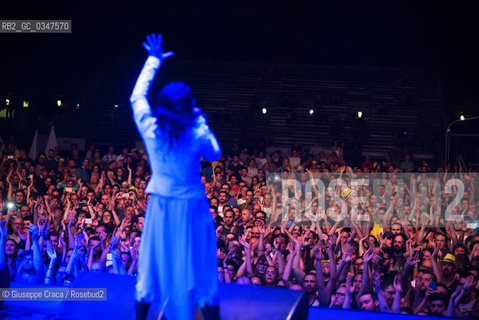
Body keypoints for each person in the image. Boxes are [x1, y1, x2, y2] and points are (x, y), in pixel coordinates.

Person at [130, 33, 221, 320]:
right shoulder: (196, 134)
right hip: (192, 208)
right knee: (202, 270)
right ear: (188, 106)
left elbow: (136, 96)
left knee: (151, 266)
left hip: (160, 206)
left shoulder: (151, 128)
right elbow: (216, 154)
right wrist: (201, 120)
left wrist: (153, 60)